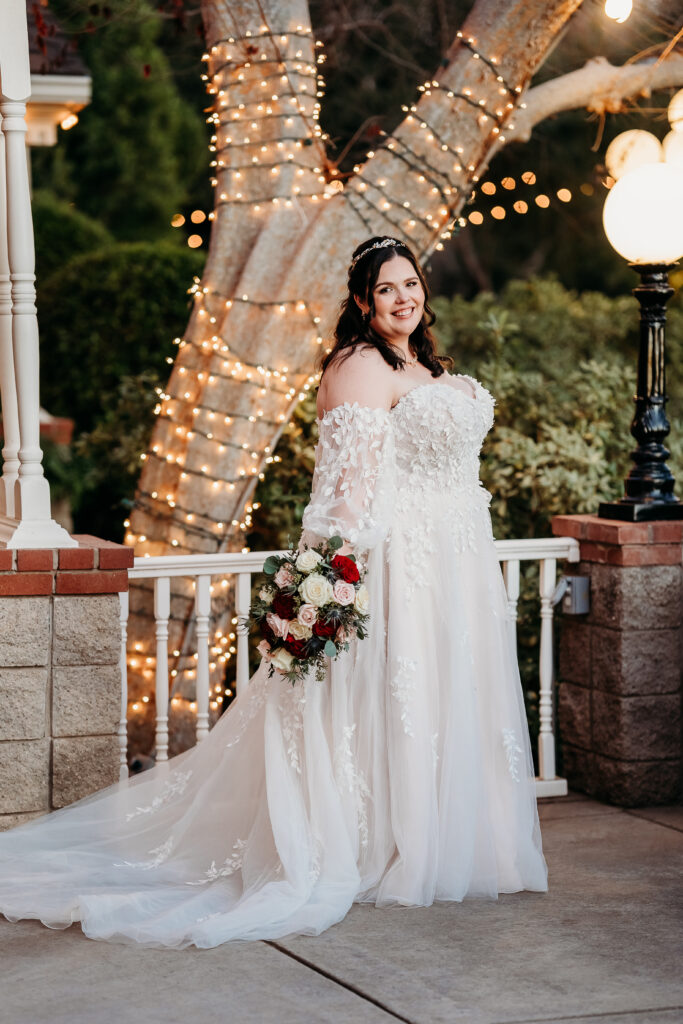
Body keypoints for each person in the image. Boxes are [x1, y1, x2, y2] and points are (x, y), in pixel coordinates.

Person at [0, 236, 547, 950]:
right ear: (361, 302)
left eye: (409, 284)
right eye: (385, 289)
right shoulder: (356, 368)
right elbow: (345, 493)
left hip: (455, 560)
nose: (402, 298)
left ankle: (441, 837)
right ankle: (382, 841)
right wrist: (326, 582)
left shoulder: (424, 366)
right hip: (403, 564)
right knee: (392, 698)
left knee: (444, 696)